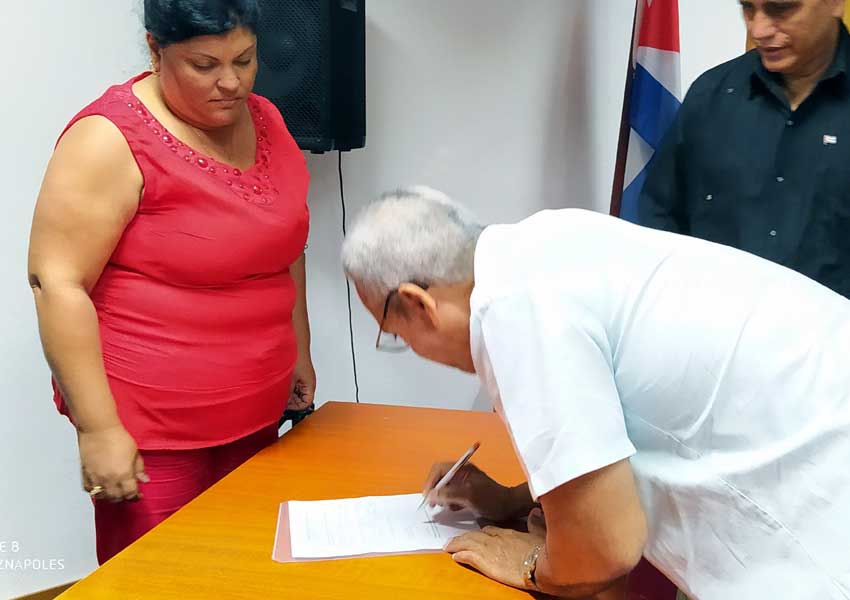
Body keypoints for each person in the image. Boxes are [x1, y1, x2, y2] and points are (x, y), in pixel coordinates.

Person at [341, 186, 850, 600]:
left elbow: (605, 548)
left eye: (399, 337)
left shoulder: (511, 310)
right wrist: (511, 500)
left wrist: (531, 564)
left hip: (819, 504)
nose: (409, 347)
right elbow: (618, 439)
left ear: (419, 304)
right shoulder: (543, 240)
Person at [27, 0, 315, 564]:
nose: (230, 82)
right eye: (204, 65)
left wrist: (298, 352)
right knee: (162, 577)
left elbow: (286, 247)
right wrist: (98, 429)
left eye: (245, 59)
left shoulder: (267, 119)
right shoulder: (108, 139)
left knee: (248, 567)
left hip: (256, 410)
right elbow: (55, 281)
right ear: (156, 52)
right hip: (151, 430)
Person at [639, 0, 850, 298]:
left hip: (832, 339)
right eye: (748, 8)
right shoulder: (711, 95)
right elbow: (660, 219)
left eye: (781, 9)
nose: (758, 29)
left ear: (834, 3)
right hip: (713, 332)